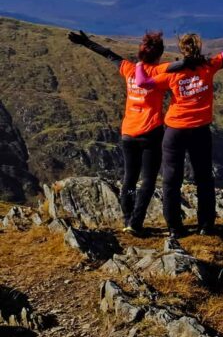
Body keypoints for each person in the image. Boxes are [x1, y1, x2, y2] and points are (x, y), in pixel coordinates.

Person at [134, 18, 223, 239]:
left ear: (182, 50)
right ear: (199, 48)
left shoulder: (172, 73)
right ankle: (206, 225)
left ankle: (175, 228)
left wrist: (139, 63)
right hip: (200, 131)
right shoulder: (209, 66)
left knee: (171, 180)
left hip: (175, 131)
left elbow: (142, 83)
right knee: (204, 178)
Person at [67, 29, 170, 236]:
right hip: (151, 133)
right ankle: (136, 222)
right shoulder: (162, 73)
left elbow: (108, 54)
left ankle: (126, 218)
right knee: (148, 179)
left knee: (129, 178)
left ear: (140, 54)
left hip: (128, 133)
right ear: (159, 55)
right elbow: (183, 68)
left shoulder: (130, 69)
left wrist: (86, 42)